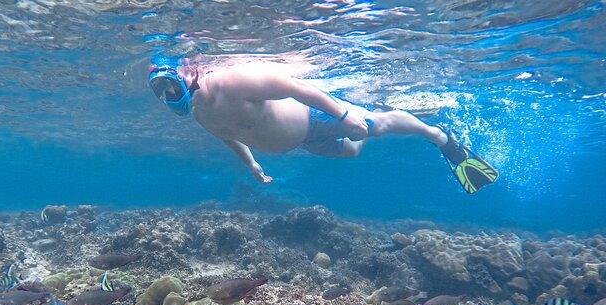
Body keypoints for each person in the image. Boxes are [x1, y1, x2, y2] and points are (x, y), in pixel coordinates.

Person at [148, 56, 498, 194]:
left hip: (317, 118)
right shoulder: (201, 113)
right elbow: (230, 136)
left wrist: (343, 116)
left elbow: (295, 87)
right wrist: (252, 163)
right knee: (352, 153)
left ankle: (438, 136)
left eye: (170, 86)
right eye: (160, 93)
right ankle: (365, 112)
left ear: (186, 72)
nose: (168, 97)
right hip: (304, 141)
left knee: (379, 126)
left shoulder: (229, 81)